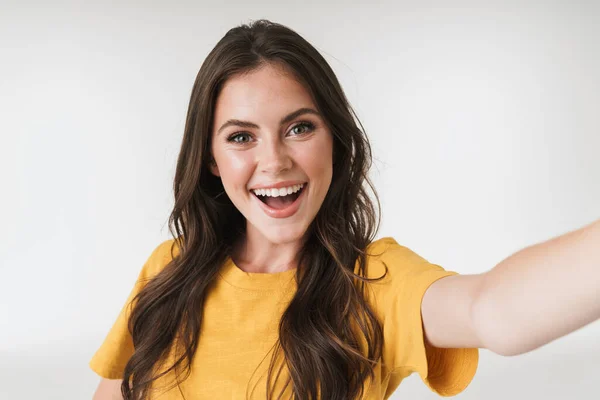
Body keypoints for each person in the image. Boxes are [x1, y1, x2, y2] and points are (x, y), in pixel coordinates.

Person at [89, 19, 600, 400]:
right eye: (242, 136)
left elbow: (494, 310)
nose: (274, 161)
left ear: (336, 140)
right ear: (212, 161)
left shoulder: (371, 282)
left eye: (299, 128)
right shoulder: (169, 269)